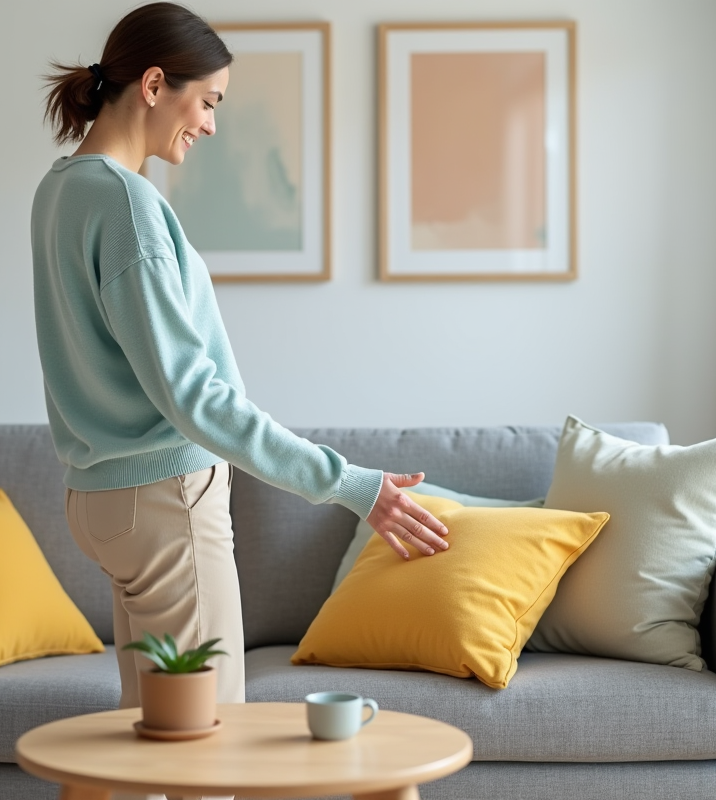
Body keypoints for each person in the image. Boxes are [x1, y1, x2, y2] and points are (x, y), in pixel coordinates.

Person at [32, 1, 449, 713]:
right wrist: (350, 483)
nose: (212, 125)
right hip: (164, 505)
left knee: (155, 742)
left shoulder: (59, 191)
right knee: (209, 747)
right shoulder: (127, 203)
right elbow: (194, 397)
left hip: (99, 500)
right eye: (208, 101)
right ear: (156, 84)